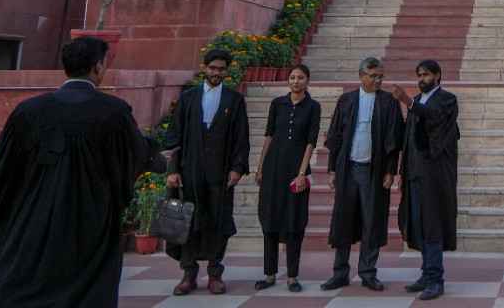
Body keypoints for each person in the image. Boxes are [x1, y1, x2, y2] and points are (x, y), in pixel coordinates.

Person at [0, 36, 159, 308]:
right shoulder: (112, 112)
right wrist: (154, 155)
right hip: (87, 218)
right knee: (84, 287)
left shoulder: (29, 110)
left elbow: (0, 169)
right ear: (97, 67)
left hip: (30, 215)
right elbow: (134, 156)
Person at [163, 48, 251, 297]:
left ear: (227, 71)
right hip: (189, 172)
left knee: (218, 222)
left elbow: (241, 138)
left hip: (220, 174)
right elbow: (174, 135)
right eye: (213, 68)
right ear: (204, 68)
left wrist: (237, 168)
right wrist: (172, 170)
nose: (216, 73)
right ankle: (188, 273)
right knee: (188, 222)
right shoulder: (188, 98)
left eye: (221, 69)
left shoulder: (234, 100)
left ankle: (214, 273)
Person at [321, 56, 404, 292]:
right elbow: (335, 137)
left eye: (381, 76)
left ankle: (368, 272)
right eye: (373, 76)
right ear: (361, 76)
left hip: (374, 171)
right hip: (347, 169)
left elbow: (393, 139)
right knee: (343, 220)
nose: (378, 80)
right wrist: (332, 169)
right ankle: (340, 273)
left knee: (372, 221)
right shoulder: (346, 100)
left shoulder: (388, 102)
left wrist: (390, 170)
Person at [393, 60, 461, 301]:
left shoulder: (447, 100)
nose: (422, 79)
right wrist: (402, 172)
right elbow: (408, 140)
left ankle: (435, 279)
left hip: (434, 176)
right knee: (418, 225)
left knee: (432, 225)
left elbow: (436, 118)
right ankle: (425, 273)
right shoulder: (418, 101)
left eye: (426, 75)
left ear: (438, 75)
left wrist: (408, 102)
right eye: (419, 75)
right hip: (414, 174)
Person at [254, 64, 322, 292]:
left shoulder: (313, 107)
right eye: (292, 77)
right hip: (272, 170)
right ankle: (269, 274)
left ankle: (292, 276)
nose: (295, 81)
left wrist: (302, 174)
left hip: (296, 172)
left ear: (307, 80)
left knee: (294, 223)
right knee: (269, 221)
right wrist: (260, 167)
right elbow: (269, 136)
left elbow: (311, 142)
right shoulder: (277, 104)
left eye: (300, 77)